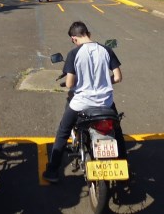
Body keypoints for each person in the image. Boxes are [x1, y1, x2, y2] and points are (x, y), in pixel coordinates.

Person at [42, 21, 126, 183]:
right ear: (88, 33)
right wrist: (103, 83)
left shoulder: (74, 53)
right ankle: (124, 164)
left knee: (63, 132)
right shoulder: (106, 50)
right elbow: (117, 77)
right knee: (117, 132)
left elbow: (70, 84)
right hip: (105, 103)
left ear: (74, 38)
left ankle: (52, 171)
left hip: (81, 103)